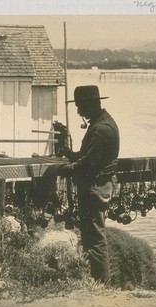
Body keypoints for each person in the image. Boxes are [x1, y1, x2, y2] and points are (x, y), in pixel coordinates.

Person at [57, 85, 120, 283]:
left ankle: (102, 283)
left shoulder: (101, 129)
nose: (78, 112)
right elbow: (89, 157)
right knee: (93, 235)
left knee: (95, 239)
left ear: (90, 104)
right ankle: (99, 280)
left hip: (95, 187)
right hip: (99, 186)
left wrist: (61, 169)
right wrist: (71, 154)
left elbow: (88, 164)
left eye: (79, 107)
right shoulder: (102, 123)